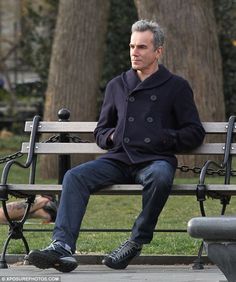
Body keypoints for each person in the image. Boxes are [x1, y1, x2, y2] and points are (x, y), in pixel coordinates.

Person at [27, 19, 205, 273]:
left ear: (158, 51)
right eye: (132, 46)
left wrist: (162, 137)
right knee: (75, 176)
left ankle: (135, 241)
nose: (135, 52)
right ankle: (61, 247)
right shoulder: (117, 85)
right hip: (119, 159)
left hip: (155, 159)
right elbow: (101, 131)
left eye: (142, 47)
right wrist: (110, 138)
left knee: (160, 176)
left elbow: (195, 132)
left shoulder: (176, 86)